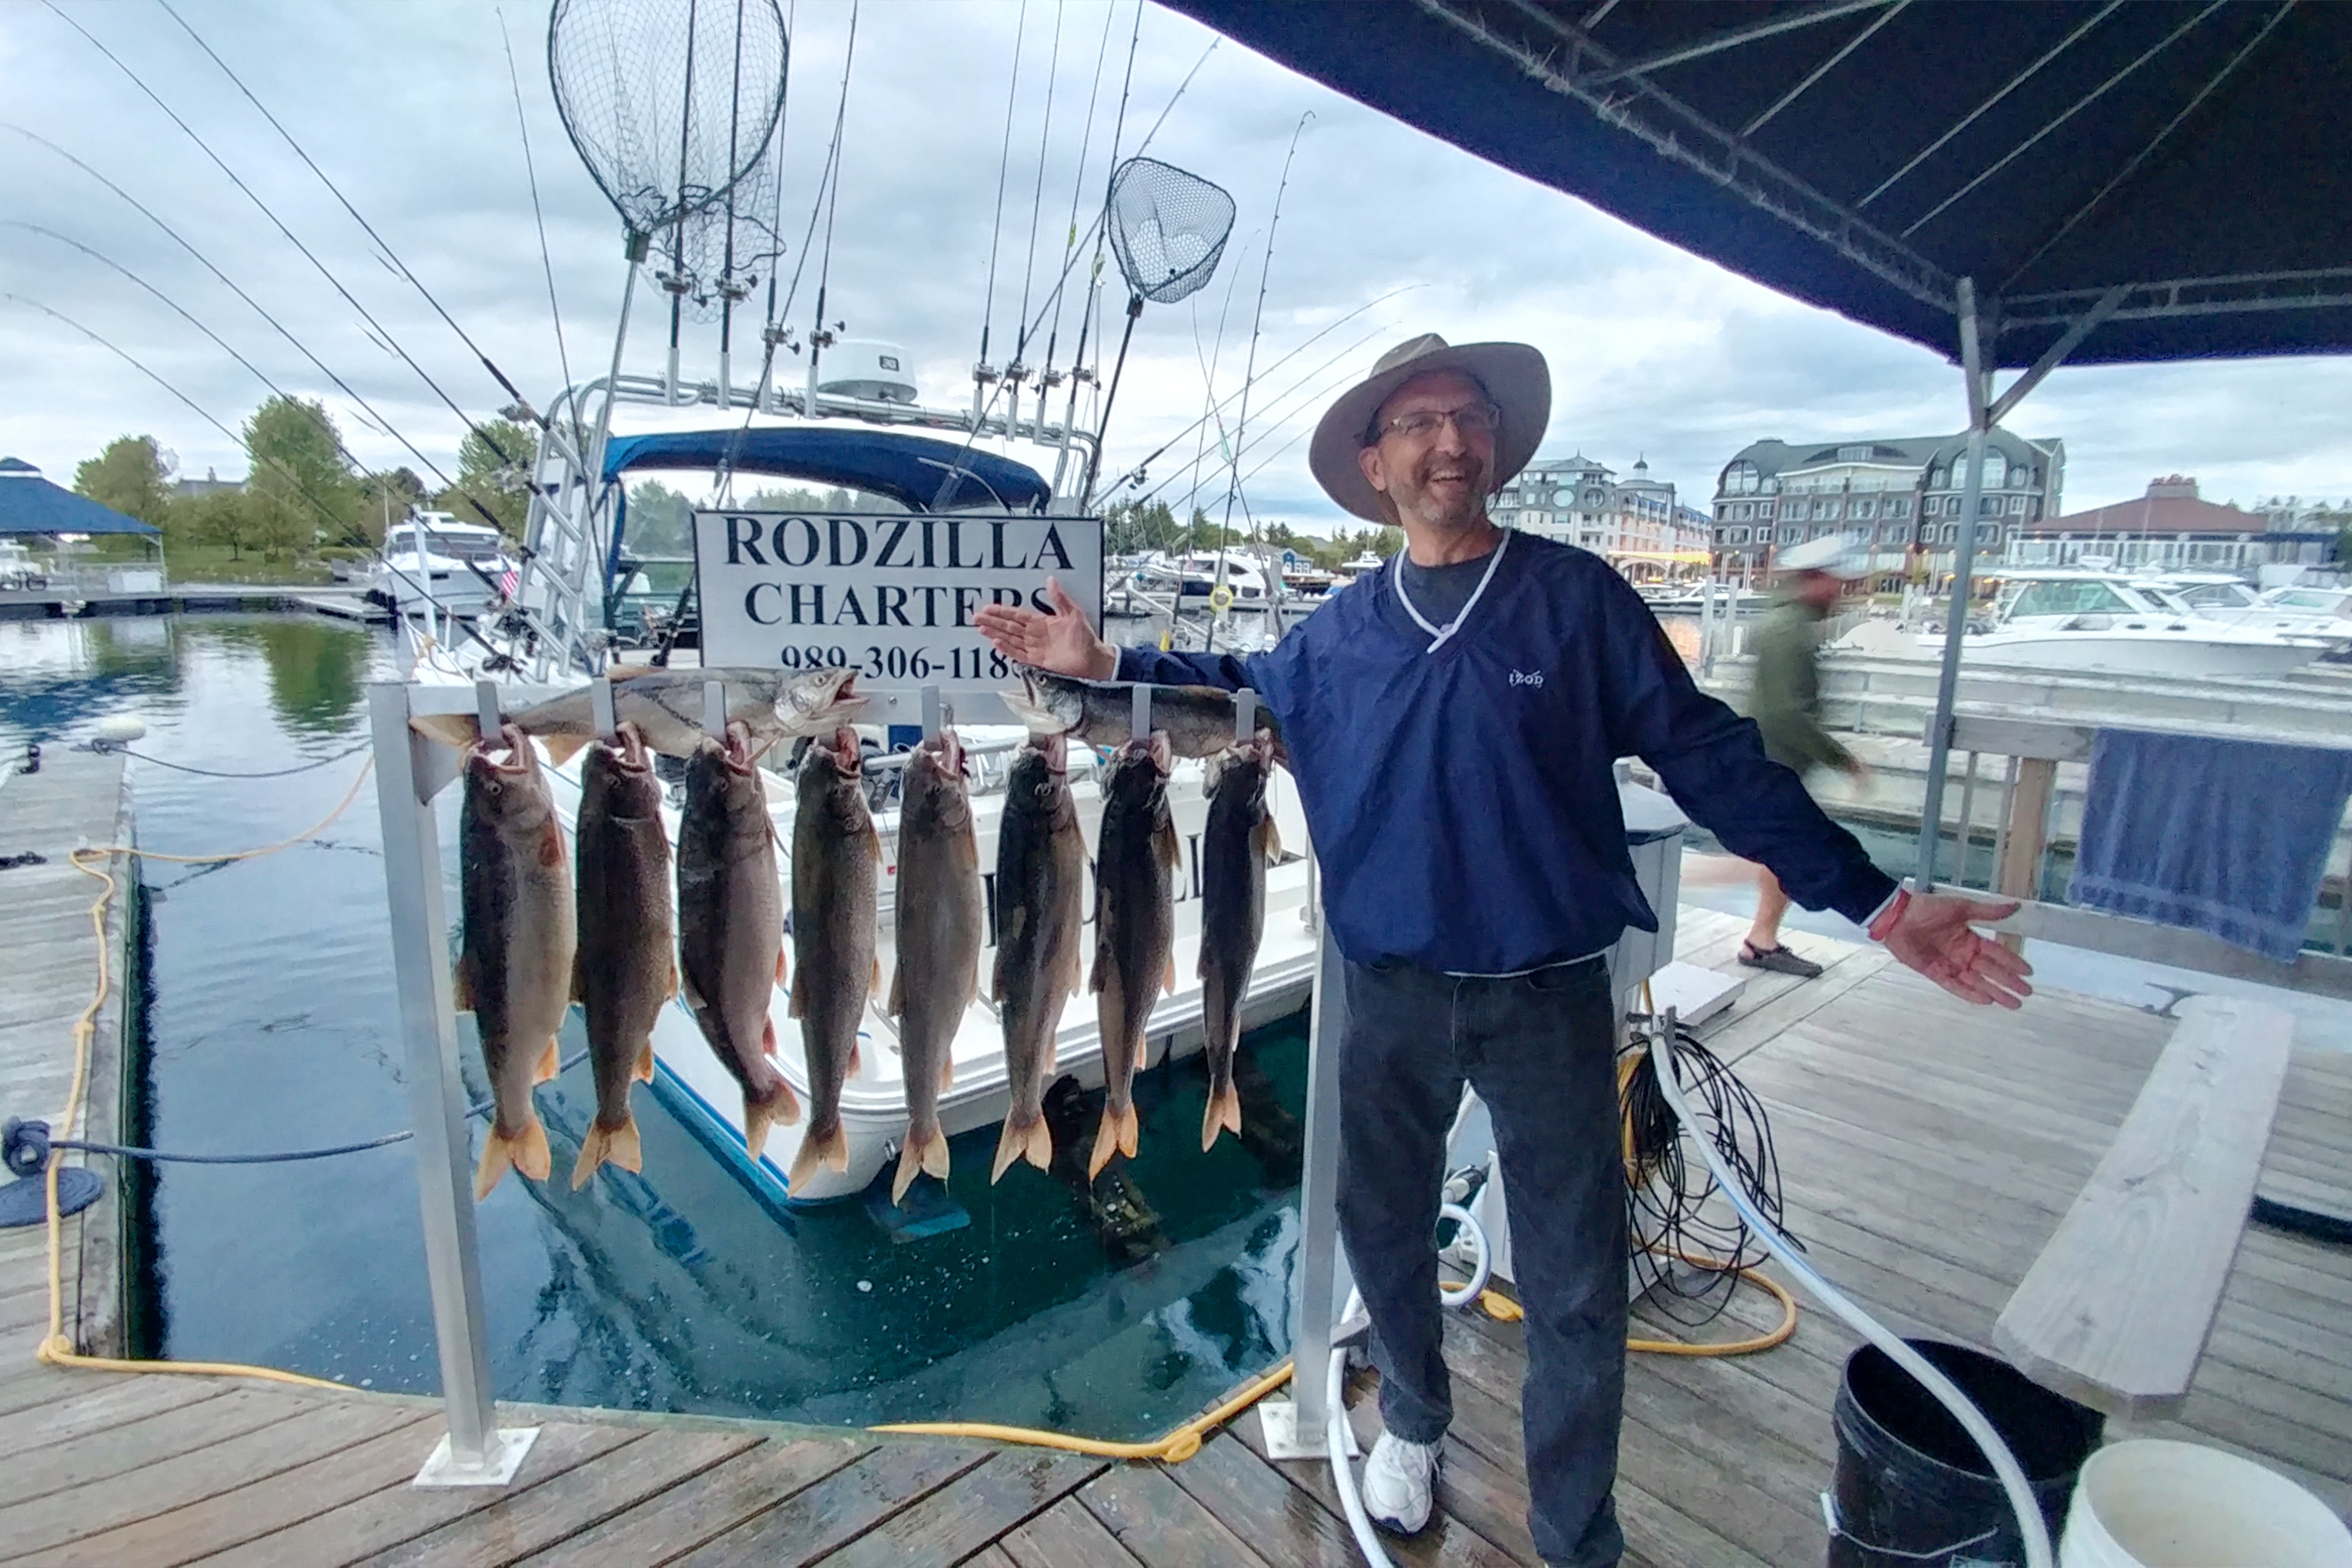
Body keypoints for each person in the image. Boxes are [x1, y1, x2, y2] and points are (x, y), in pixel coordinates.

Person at [976, 333, 2031, 1568]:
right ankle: (1413, 1422)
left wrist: (1883, 906)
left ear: (1496, 445)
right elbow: (1233, 690)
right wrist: (1103, 668)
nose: (1449, 440)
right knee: (1385, 1226)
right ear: (1376, 464)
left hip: (1550, 1003)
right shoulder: (1337, 637)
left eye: (1467, 415)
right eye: (1417, 422)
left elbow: (1714, 759)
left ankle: (1577, 1535)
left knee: (1580, 1285)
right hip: (1385, 994)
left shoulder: (1578, 603)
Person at [1738, 536, 1874, 980]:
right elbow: (1785, 711)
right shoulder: (1789, 630)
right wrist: (1843, 760)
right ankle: (1760, 942)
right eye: (1837, 581)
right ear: (1816, 579)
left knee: (1782, 852)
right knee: (1791, 851)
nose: (1842, 591)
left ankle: (1762, 939)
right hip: (1779, 762)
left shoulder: (1786, 623)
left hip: (1774, 759)